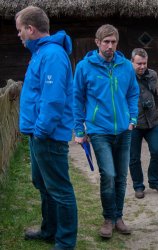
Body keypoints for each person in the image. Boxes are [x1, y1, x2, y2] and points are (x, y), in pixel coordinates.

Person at [15, 6, 77, 250]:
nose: (19, 35)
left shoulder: (51, 54)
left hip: (47, 135)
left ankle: (65, 242)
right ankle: (49, 230)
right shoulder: (41, 53)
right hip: (38, 134)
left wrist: (40, 131)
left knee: (60, 190)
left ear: (30, 29)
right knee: (43, 183)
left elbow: (52, 99)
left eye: (20, 30)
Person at [73, 24, 139, 239]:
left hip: (124, 130)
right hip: (99, 130)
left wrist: (132, 118)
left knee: (120, 176)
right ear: (97, 42)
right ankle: (108, 218)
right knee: (108, 175)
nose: (110, 46)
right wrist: (78, 129)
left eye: (113, 42)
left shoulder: (126, 66)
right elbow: (77, 99)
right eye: (106, 42)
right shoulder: (85, 67)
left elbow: (132, 93)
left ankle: (119, 217)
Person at [129, 48, 158, 199]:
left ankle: (155, 181)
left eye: (144, 63)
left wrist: (153, 111)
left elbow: (157, 96)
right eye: (139, 63)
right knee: (134, 157)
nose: (142, 66)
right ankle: (138, 186)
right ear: (132, 62)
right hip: (133, 124)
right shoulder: (126, 76)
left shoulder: (153, 75)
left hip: (151, 122)